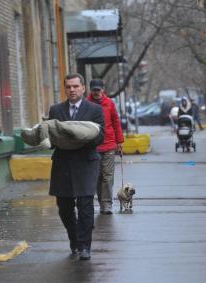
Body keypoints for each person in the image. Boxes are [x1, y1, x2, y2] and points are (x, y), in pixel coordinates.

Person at [48, 73, 105, 260]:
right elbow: (52, 136)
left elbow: (100, 136)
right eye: (68, 87)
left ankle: (85, 246)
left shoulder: (95, 110)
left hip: (86, 162)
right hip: (62, 163)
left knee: (85, 205)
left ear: (83, 88)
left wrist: (82, 137)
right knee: (64, 207)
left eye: (75, 86)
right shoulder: (55, 110)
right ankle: (74, 240)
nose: (72, 90)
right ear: (65, 89)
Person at [87, 78, 124, 215]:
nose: (96, 92)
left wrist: (119, 141)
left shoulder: (109, 103)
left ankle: (106, 204)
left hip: (109, 144)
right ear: (90, 90)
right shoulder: (86, 104)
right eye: (94, 90)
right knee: (97, 176)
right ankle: (102, 200)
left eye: (99, 90)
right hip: (92, 145)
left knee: (107, 176)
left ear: (103, 90)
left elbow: (116, 121)